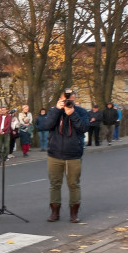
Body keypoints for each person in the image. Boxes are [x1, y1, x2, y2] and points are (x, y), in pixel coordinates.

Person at [38, 91, 89, 222]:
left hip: (74, 154)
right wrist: (56, 110)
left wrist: (72, 114)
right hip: (55, 154)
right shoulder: (54, 111)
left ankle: (74, 214)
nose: (67, 102)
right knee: (54, 184)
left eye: (70, 100)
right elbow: (47, 125)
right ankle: (55, 213)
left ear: (74, 100)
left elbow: (83, 128)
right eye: (65, 100)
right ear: (60, 99)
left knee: (74, 184)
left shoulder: (81, 111)